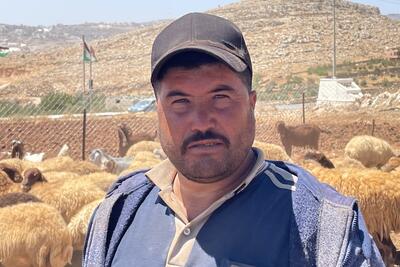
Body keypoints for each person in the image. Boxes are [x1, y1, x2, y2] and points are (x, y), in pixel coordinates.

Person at [83, 12, 384, 267]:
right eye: (180, 102)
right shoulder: (117, 213)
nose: (201, 121)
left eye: (221, 98)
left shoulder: (326, 226)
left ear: (251, 104)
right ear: (158, 112)